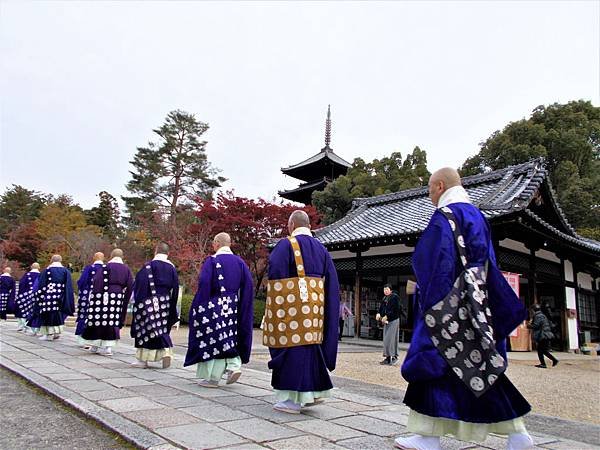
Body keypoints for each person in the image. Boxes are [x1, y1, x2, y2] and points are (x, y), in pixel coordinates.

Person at [396, 168, 533, 450]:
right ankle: (518, 434)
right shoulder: (479, 217)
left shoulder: (444, 217)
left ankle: (427, 436)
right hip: (478, 303)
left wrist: (430, 305)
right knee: (480, 366)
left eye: (430, 189)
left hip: (449, 305)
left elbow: (437, 265)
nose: (430, 196)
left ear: (440, 186)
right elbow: (489, 264)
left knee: (434, 364)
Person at [264, 210, 340, 414]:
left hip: (292, 309)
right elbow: (331, 283)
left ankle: (293, 399)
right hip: (315, 311)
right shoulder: (322, 249)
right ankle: (312, 392)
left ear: (291, 225)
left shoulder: (287, 244)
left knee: (292, 347)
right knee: (310, 347)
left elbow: (275, 272)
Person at [184, 232, 254, 387]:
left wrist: (199, 307)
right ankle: (234, 365)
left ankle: (213, 378)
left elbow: (204, 283)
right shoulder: (240, 262)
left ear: (216, 243)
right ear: (229, 244)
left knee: (213, 339)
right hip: (233, 305)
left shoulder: (212, 261)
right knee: (229, 337)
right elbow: (248, 286)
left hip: (214, 304)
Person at [131, 243, 179, 369]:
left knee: (145, 329)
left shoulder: (147, 267)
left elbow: (139, 286)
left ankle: (142, 360)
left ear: (155, 251)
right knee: (161, 328)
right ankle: (165, 352)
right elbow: (175, 289)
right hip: (165, 302)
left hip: (147, 302)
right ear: (168, 254)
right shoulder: (172, 268)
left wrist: (139, 304)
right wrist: (172, 307)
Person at [80, 249, 132, 356]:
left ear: (111, 256)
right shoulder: (126, 269)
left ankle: (95, 345)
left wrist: (96, 297)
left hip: (102, 295)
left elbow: (96, 281)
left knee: (98, 319)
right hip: (117, 296)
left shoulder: (105, 267)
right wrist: (125, 299)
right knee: (111, 321)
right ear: (122, 257)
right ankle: (109, 347)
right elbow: (130, 285)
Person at [33, 255, 75, 341]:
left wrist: (39, 296)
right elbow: (68, 285)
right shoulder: (65, 271)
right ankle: (56, 332)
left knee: (47, 312)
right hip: (61, 295)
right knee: (57, 313)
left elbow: (42, 284)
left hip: (48, 295)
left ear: (52, 260)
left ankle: (47, 333)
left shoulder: (47, 270)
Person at [75, 252, 105, 346]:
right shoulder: (106, 269)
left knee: (84, 315)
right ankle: (96, 340)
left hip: (87, 295)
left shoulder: (89, 268)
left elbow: (82, 281)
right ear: (103, 258)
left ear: (94, 258)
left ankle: (82, 339)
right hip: (101, 296)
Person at [376, 284, 403, 365]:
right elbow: (381, 308)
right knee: (386, 340)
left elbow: (396, 309)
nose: (385, 291)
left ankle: (394, 356)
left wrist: (387, 316)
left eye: (387, 289)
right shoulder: (384, 298)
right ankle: (387, 358)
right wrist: (378, 313)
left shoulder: (395, 297)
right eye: (384, 289)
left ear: (391, 290)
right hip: (386, 321)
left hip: (393, 320)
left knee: (391, 339)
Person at [530, 304, 558, 368]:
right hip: (545, 334)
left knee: (541, 350)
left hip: (543, 335)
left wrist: (529, 325)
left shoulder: (538, 316)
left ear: (534, 310)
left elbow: (536, 325)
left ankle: (545, 363)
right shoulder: (542, 315)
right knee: (543, 350)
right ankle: (552, 360)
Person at [15, 263, 41, 332]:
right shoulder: (41, 275)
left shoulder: (27, 275)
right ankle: (34, 327)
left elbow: (22, 285)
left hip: (25, 296)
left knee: (23, 310)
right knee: (34, 311)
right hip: (37, 296)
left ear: (31, 267)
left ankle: (23, 325)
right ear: (39, 267)